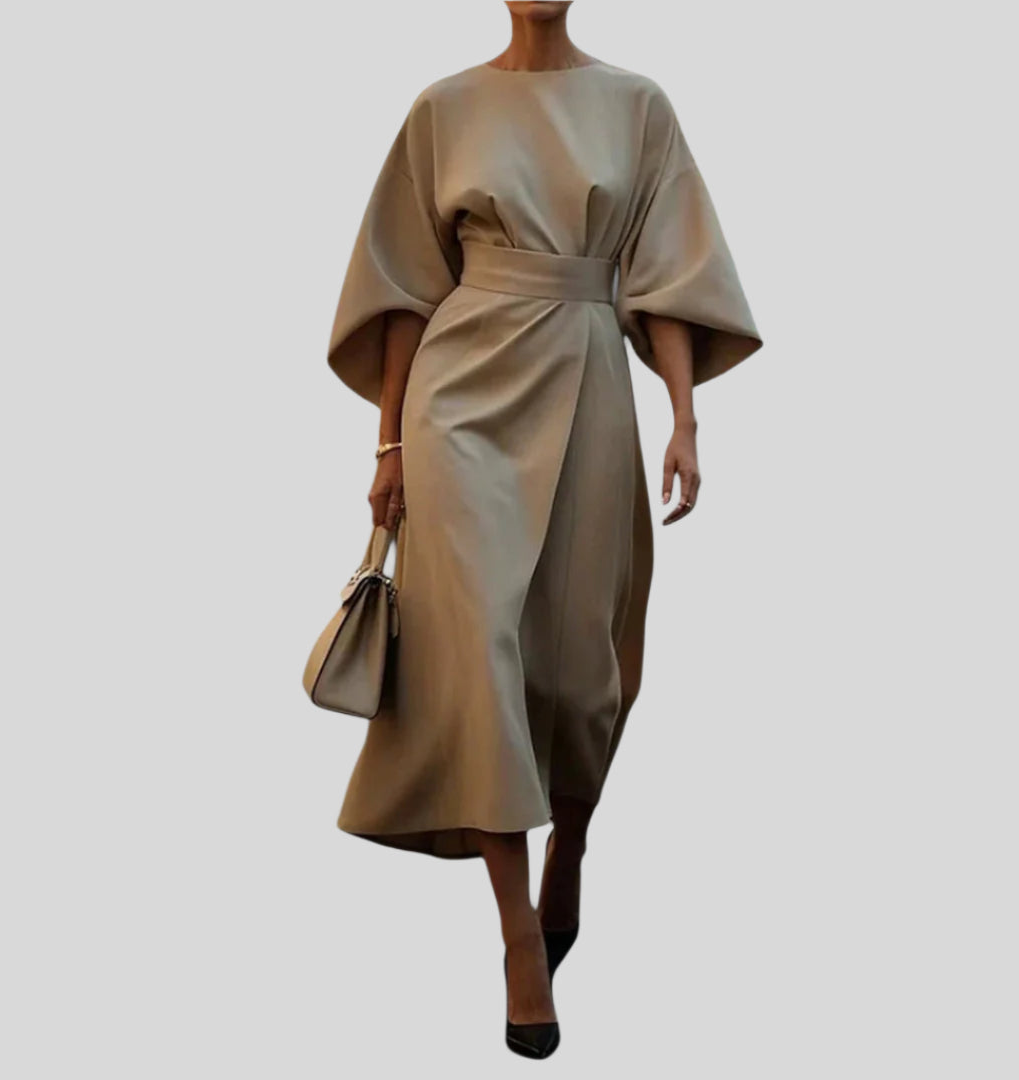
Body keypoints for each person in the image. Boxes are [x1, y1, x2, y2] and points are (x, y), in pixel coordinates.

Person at [322, 0, 762, 1059]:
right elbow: (403, 290)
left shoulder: (637, 105)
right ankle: (518, 931)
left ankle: (575, 840)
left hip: (590, 380)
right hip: (460, 402)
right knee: (477, 658)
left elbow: (669, 269)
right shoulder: (443, 108)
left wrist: (685, 420)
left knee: (578, 668)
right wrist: (389, 448)